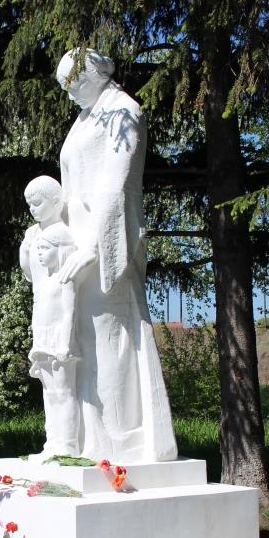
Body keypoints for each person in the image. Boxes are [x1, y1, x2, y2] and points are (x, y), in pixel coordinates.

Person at [53, 48, 177, 463]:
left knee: (111, 340)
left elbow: (115, 186)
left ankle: (121, 440)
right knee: (83, 341)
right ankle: (90, 441)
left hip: (107, 249)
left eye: (76, 84)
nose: (71, 94)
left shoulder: (124, 111)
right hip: (77, 247)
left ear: (97, 75)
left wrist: (94, 245)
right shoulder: (86, 117)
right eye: (65, 88)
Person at [19, 176, 80, 459]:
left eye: (38, 202)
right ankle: (52, 442)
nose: (32, 208)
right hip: (41, 322)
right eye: (29, 204)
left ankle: (66, 443)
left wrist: (67, 336)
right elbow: (30, 274)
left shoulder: (63, 234)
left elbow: (69, 300)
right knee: (48, 387)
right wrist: (27, 246)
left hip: (59, 328)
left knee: (63, 387)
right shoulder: (36, 235)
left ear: (56, 201)